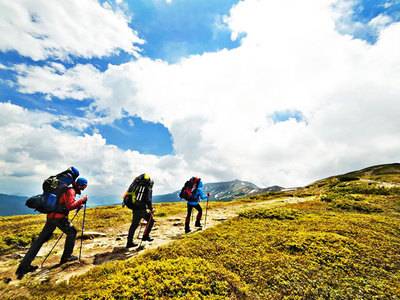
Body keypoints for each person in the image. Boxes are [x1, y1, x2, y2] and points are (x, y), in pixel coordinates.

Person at [16, 177, 88, 279]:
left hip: (51, 217)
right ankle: (66, 257)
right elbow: (70, 206)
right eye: (84, 186)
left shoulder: (67, 190)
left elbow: (65, 203)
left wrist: (77, 204)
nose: (84, 189)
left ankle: (23, 267)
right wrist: (82, 201)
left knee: (39, 241)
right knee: (72, 232)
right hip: (59, 218)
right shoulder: (71, 191)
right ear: (80, 185)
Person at [124, 174, 155, 248]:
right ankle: (145, 236)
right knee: (151, 221)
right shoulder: (147, 188)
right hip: (142, 209)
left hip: (135, 208)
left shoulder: (137, 186)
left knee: (134, 225)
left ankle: (129, 242)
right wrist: (151, 209)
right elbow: (148, 200)